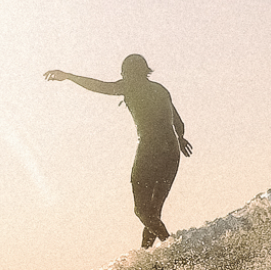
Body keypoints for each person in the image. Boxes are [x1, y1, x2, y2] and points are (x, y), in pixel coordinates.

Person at [45, 53, 192, 248]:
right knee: (153, 212)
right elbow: (178, 122)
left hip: (150, 148)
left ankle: (173, 247)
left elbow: (99, 86)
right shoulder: (160, 89)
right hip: (172, 150)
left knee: (141, 211)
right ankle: (147, 257)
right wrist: (181, 139)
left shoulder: (129, 86)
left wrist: (69, 76)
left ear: (127, 73)